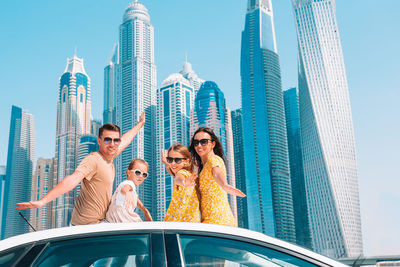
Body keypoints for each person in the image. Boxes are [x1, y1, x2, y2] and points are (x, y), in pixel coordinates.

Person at [16, 112, 146, 226]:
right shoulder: (93, 160)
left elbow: (126, 140)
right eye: (107, 140)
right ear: (99, 141)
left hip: (100, 223)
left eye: (115, 140)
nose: (112, 144)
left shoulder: (110, 156)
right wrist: (42, 201)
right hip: (86, 226)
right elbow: (73, 179)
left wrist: (140, 124)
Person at [189, 127, 246, 227]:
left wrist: (225, 185)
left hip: (219, 220)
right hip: (209, 221)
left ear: (213, 144)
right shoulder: (202, 167)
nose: (199, 145)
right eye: (196, 142)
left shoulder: (213, 160)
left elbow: (216, 171)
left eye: (204, 142)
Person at [162, 143, 200, 223]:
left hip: (179, 222)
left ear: (186, 161)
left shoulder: (182, 173)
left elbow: (179, 179)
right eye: (170, 160)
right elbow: (170, 168)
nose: (173, 163)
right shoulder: (186, 173)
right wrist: (165, 161)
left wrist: (184, 182)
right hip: (188, 221)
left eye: (177, 160)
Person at [106, 158, 152, 223]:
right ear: (128, 173)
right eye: (138, 172)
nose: (141, 176)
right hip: (122, 217)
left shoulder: (132, 189)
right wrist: (127, 193)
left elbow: (137, 200)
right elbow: (124, 188)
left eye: (144, 174)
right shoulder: (129, 183)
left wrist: (145, 210)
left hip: (114, 217)